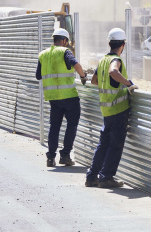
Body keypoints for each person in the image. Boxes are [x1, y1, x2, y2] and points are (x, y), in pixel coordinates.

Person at [85, 28, 138, 188]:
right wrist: (128, 84)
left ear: (109, 43)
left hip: (106, 110)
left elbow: (94, 80)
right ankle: (106, 177)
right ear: (123, 45)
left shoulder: (102, 60)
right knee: (115, 145)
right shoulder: (115, 60)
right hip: (118, 109)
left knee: (103, 144)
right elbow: (113, 71)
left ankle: (91, 176)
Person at [36, 28, 87, 167]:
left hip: (53, 98)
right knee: (72, 125)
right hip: (69, 96)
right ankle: (65, 156)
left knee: (55, 127)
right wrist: (83, 76)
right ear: (64, 41)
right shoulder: (65, 51)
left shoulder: (43, 55)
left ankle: (50, 157)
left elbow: (38, 76)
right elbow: (76, 64)